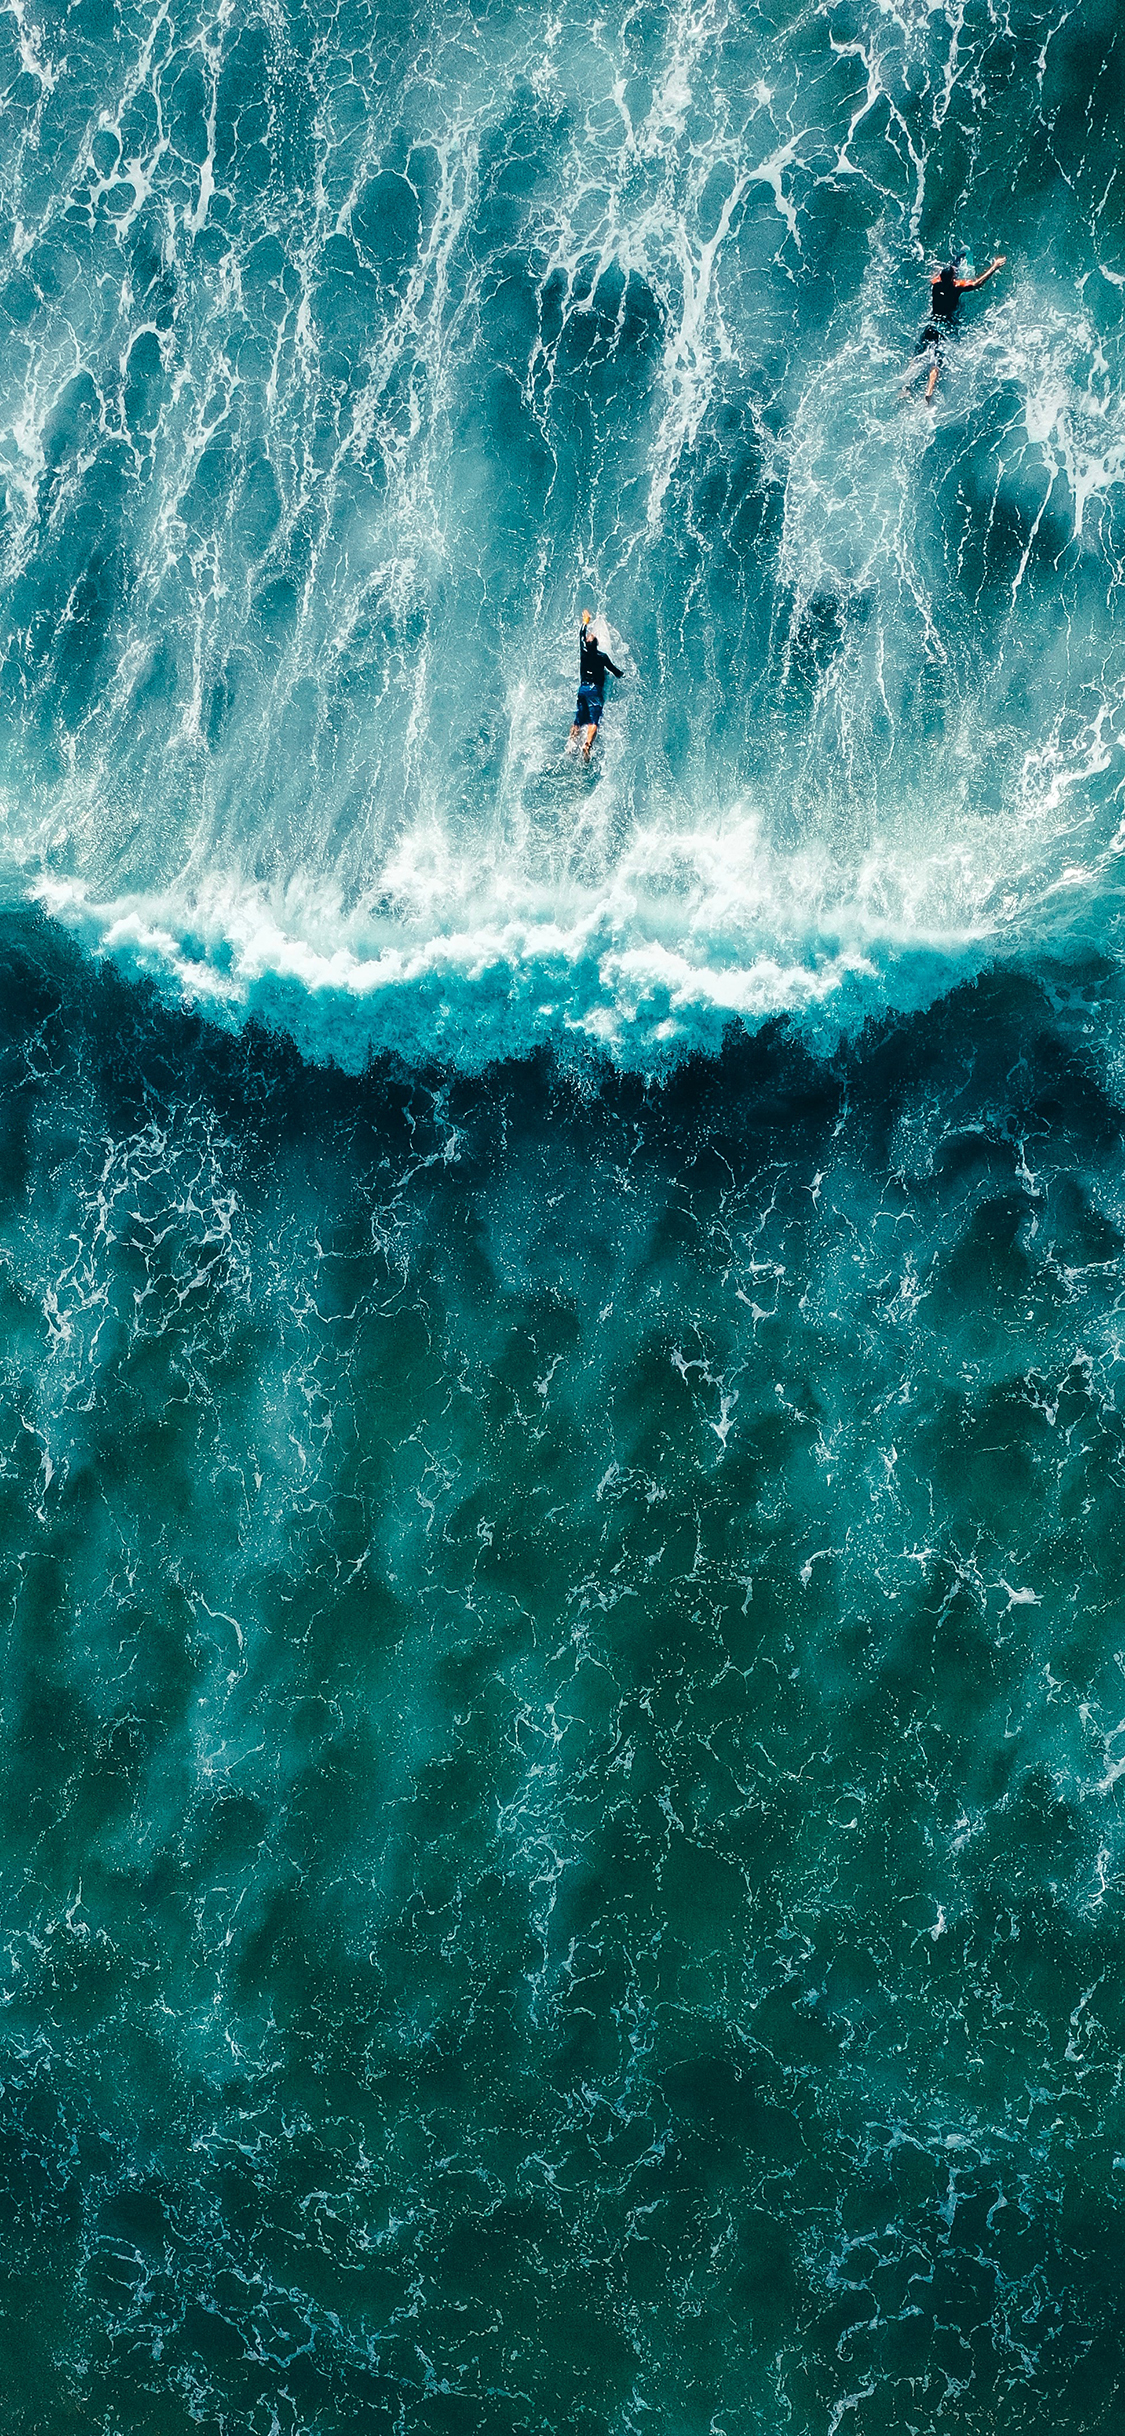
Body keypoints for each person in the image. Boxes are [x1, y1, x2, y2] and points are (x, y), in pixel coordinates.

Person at [903, 250, 1007, 402]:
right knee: (936, 362)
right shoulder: (957, 288)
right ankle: (929, 392)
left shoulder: (935, 284)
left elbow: (943, 275)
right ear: (953, 279)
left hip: (931, 326)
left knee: (917, 355)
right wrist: (994, 266)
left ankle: (906, 387)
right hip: (943, 328)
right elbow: (977, 283)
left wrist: (956, 259)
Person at [567, 609, 624, 759]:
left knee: (579, 718)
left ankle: (571, 743)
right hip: (595, 690)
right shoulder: (602, 657)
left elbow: (581, 634)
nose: (590, 635)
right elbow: (615, 671)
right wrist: (623, 675)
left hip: (583, 689)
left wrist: (585, 622)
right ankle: (587, 745)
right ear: (597, 644)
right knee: (594, 719)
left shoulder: (584, 651)